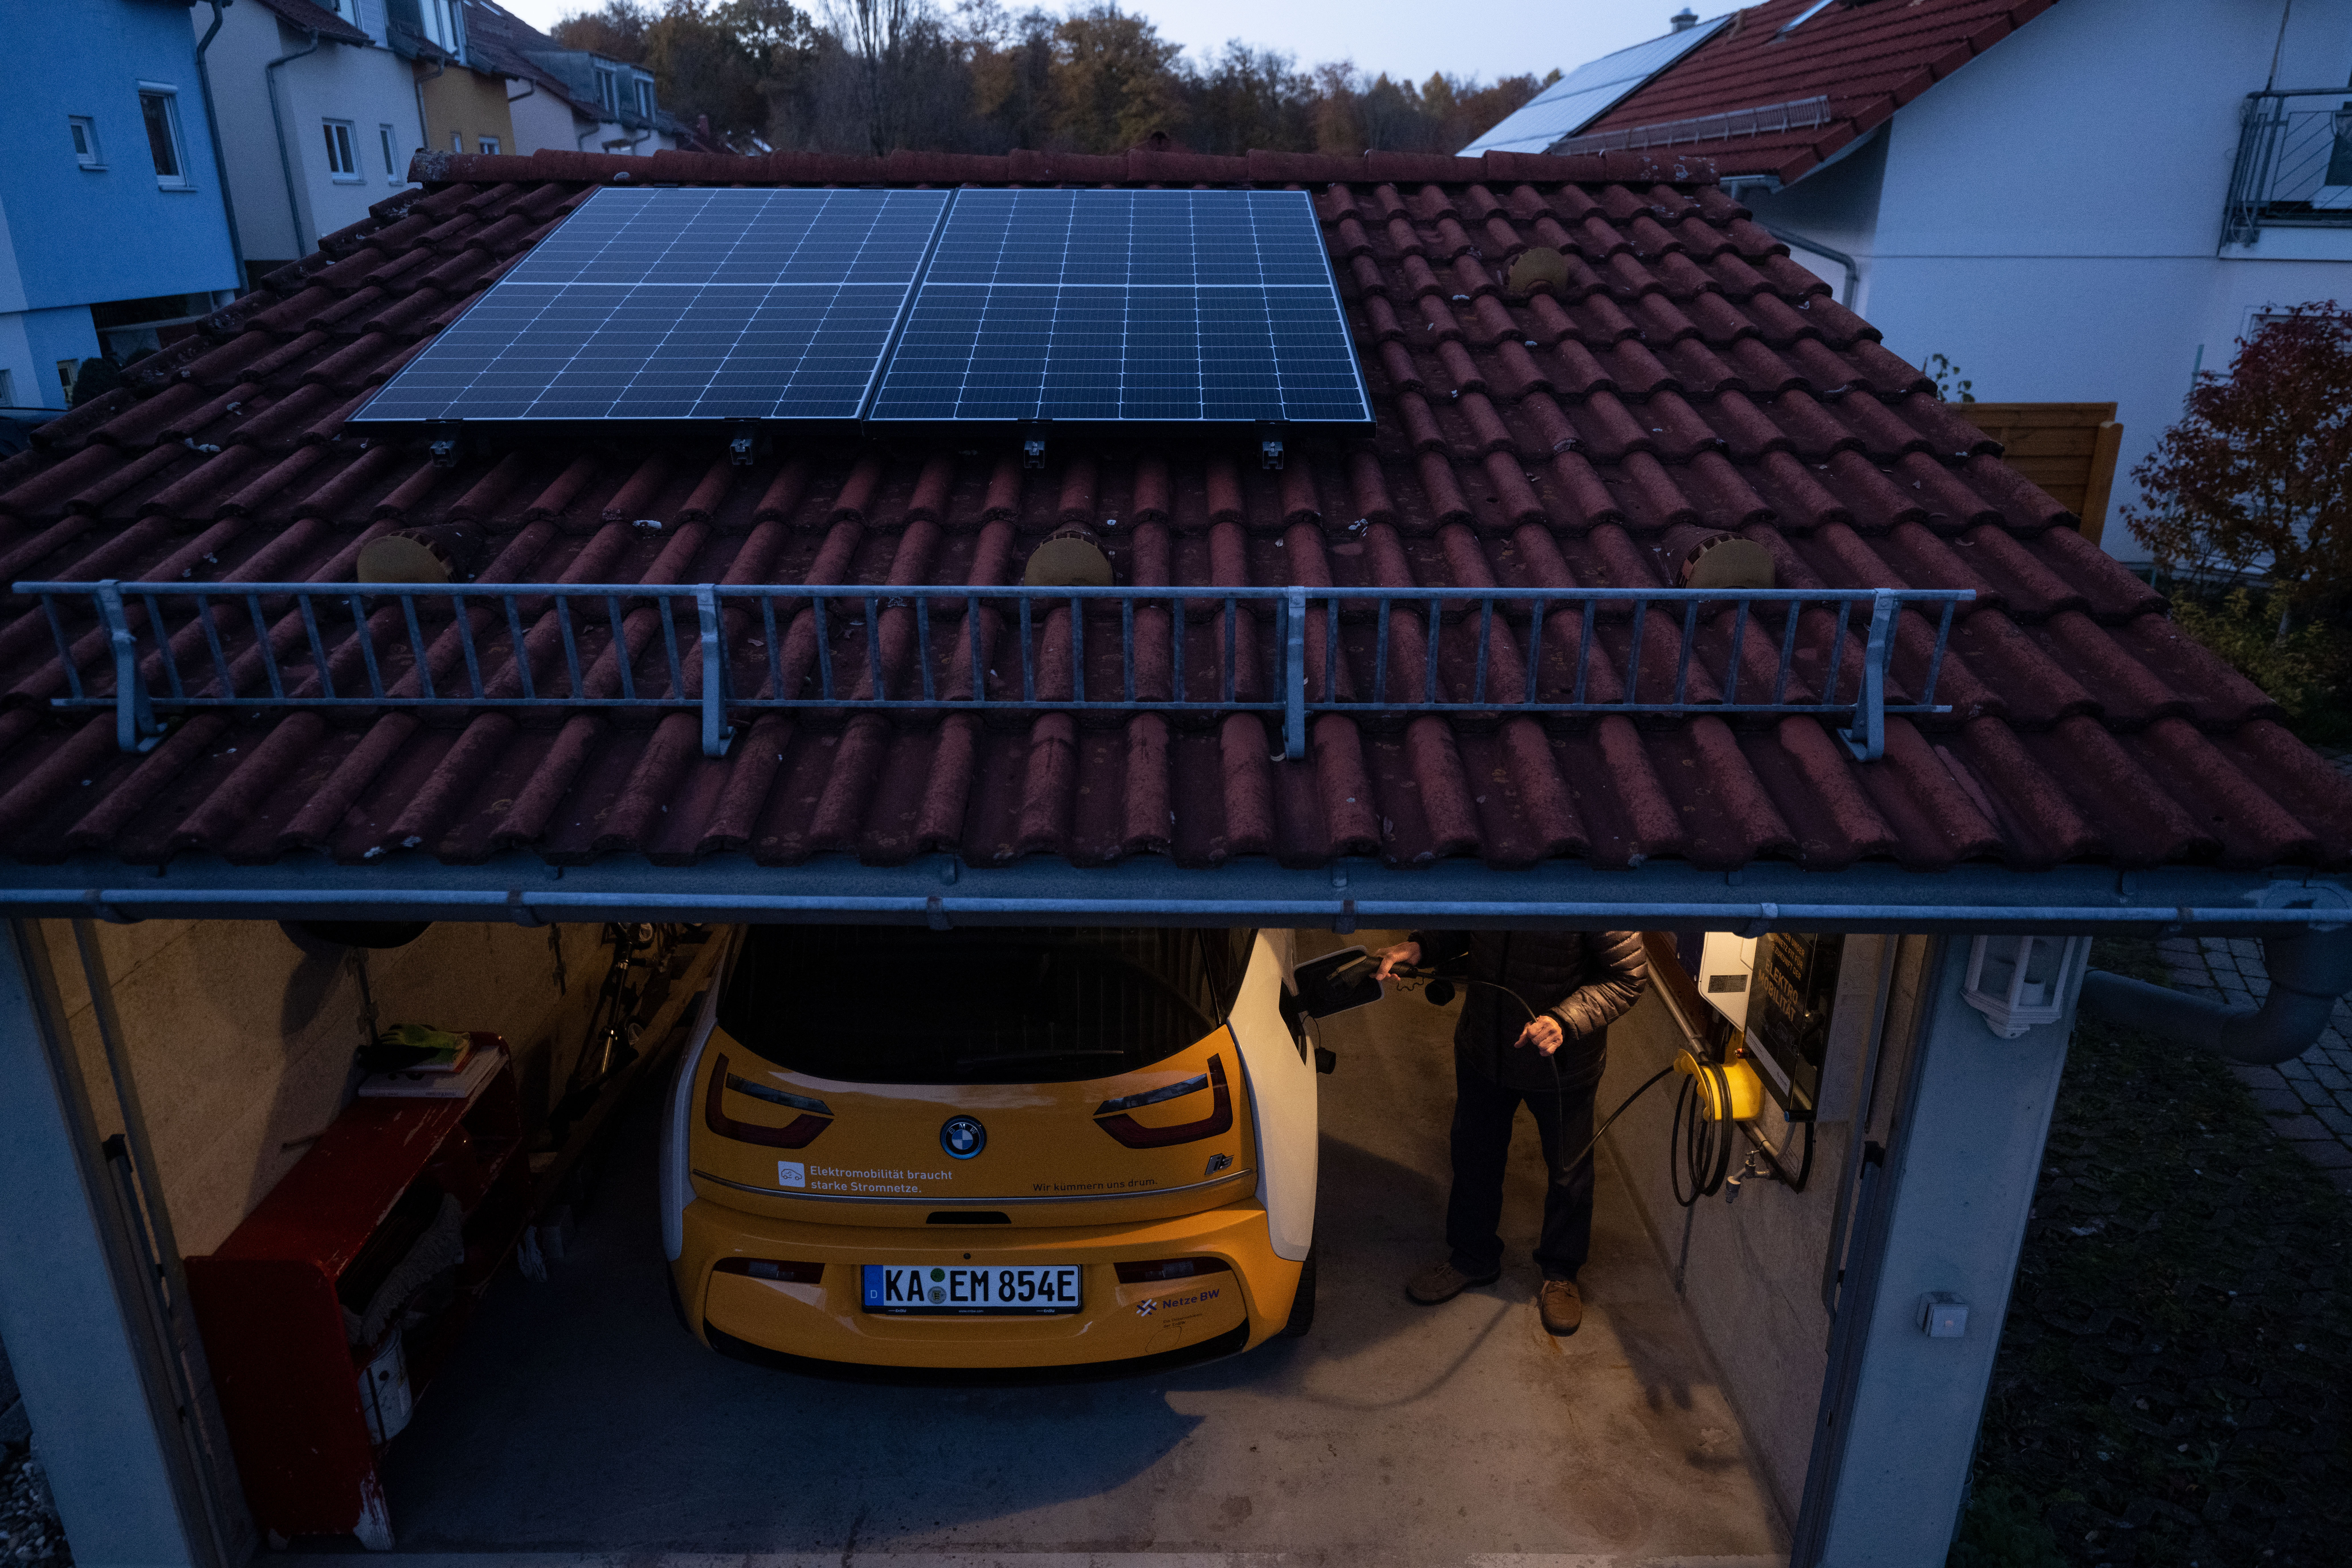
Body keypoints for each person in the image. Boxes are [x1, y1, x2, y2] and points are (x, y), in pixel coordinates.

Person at [1373, 930, 1647, 1335]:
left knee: (1568, 1172)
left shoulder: (1594, 881)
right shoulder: (1491, 867)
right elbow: (1466, 920)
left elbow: (1628, 978)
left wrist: (1565, 1020)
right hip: (1484, 1047)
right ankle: (1472, 1256)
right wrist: (1422, 947)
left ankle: (1561, 1273)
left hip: (1561, 1064)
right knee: (1474, 1154)